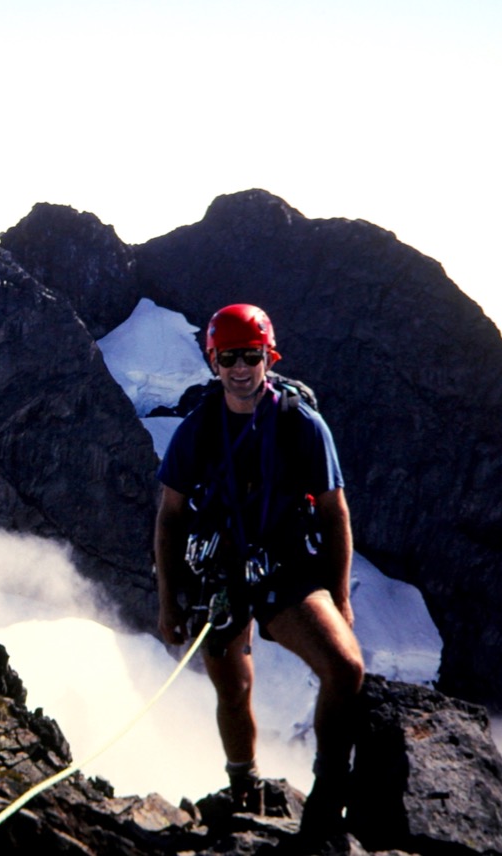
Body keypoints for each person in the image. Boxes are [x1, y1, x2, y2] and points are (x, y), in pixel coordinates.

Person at [153, 303, 364, 838]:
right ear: (213, 361)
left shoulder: (301, 425)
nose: (240, 367)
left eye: (250, 355)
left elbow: (334, 512)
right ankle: (243, 785)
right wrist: (167, 602)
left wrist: (339, 599)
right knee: (233, 690)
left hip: (284, 568)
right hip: (220, 577)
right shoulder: (198, 430)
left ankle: (328, 790)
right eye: (229, 357)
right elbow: (169, 518)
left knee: (344, 668)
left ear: (268, 356)